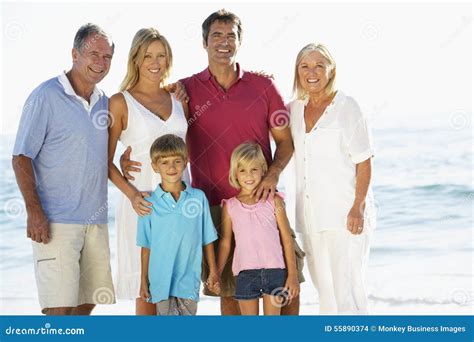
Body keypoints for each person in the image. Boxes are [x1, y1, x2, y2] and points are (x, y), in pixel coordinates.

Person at [121, 9, 306, 316]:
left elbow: (285, 141)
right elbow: (150, 120)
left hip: (262, 201)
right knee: (231, 291)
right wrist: (129, 156)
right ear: (204, 42)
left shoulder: (263, 87)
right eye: (216, 36)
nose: (224, 42)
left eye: (230, 36)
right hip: (215, 207)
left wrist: (272, 175)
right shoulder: (183, 90)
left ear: (239, 41)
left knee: (288, 285)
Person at [12, 23, 115, 315]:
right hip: (56, 222)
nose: (100, 62)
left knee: (88, 303)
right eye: (93, 54)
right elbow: (21, 157)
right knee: (59, 309)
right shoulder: (45, 95)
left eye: (106, 57)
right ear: (74, 54)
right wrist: (34, 211)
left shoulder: (104, 102)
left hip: (95, 221)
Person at [288, 43, 376, 314]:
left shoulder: (347, 106)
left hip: (345, 215)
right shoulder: (293, 110)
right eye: (305, 66)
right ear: (297, 71)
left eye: (318, 66)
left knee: (348, 291)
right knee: (324, 293)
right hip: (310, 217)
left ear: (331, 70)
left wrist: (358, 206)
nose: (311, 72)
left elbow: (364, 160)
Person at [107, 28, 189, 315]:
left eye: (161, 55)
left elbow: (186, 152)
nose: (155, 62)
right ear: (136, 59)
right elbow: (103, 161)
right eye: (148, 56)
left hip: (181, 203)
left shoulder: (179, 99)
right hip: (142, 201)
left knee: (181, 285)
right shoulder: (119, 102)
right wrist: (131, 195)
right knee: (148, 288)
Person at [137, 134, 219, 315]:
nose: (171, 167)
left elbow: (207, 239)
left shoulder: (198, 198)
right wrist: (143, 280)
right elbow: (146, 246)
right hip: (160, 279)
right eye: (164, 162)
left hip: (189, 279)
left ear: (186, 162)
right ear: (155, 166)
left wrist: (213, 271)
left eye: (176, 161)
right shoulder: (148, 203)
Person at [217, 143, 300, 315]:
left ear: (263, 170)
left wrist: (292, 275)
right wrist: (216, 273)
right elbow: (225, 242)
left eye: (254, 169)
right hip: (245, 274)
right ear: (235, 174)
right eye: (243, 170)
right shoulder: (230, 206)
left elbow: (286, 239)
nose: (249, 175)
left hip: (275, 271)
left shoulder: (275, 201)